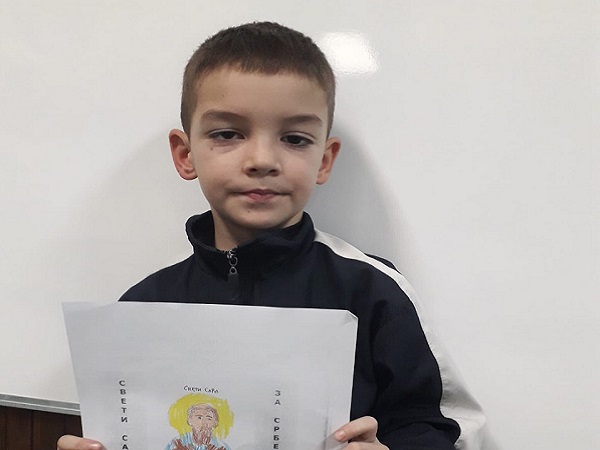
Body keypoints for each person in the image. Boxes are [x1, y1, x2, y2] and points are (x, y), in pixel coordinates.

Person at [57, 21, 484, 450]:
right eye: (228, 134)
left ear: (324, 160)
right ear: (186, 155)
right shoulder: (143, 306)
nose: (262, 160)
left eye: (294, 139)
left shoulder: (372, 291)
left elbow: (440, 425)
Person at [166, 403, 230, 450]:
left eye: (209, 418)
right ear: (190, 421)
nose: (204, 423)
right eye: (199, 418)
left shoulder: (221, 447)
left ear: (215, 423)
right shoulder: (176, 443)